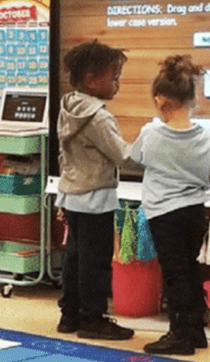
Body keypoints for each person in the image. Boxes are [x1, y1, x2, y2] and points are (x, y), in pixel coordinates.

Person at [129, 55, 210, 355]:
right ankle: (195, 331)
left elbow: (135, 158)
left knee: (175, 274)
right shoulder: (207, 134)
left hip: (163, 214)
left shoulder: (151, 133)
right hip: (196, 211)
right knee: (190, 270)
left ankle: (179, 335)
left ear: (160, 100)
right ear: (192, 99)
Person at [55, 40, 134, 340]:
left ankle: (70, 315)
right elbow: (123, 155)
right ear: (91, 79)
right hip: (96, 198)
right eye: (114, 76)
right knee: (95, 262)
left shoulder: (69, 106)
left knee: (75, 257)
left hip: (72, 193)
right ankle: (93, 319)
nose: (118, 83)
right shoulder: (98, 116)